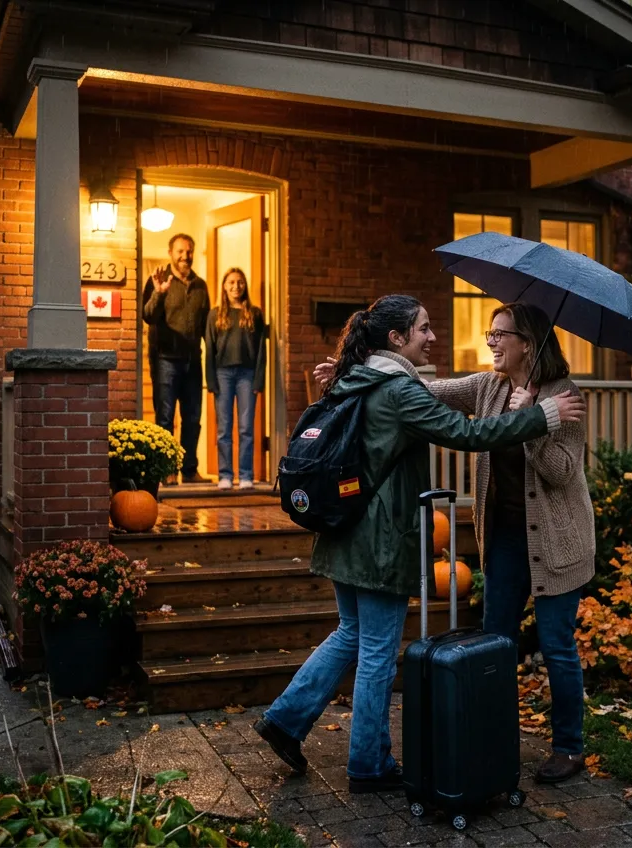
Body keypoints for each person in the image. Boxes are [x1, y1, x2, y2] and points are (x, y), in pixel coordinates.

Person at [254, 295, 586, 793]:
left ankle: (284, 720)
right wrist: (539, 418)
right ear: (396, 339)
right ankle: (368, 764)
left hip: (346, 531)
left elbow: (433, 390)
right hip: (380, 540)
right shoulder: (416, 389)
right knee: (377, 654)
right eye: (424, 329)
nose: (436, 337)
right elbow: (461, 430)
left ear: (528, 344)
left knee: (351, 634)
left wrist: (542, 413)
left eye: (500, 334)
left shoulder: (361, 377)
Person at [142, 233, 211, 483]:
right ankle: (167, 471)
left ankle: (190, 471)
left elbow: (206, 327)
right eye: (180, 251)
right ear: (170, 253)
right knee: (165, 418)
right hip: (165, 360)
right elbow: (148, 315)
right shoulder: (157, 280)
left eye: (189, 251)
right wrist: (159, 292)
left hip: (193, 361)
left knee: (193, 418)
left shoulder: (201, 285)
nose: (185, 256)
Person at [204, 268, 266, 490]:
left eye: (240, 282)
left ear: (244, 285)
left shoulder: (255, 313)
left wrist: (259, 381)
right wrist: (210, 380)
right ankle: (225, 475)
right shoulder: (214, 314)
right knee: (224, 428)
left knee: (246, 428)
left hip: (247, 376)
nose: (235, 286)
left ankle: (246, 476)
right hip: (222, 375)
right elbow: (209, 349)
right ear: (224, 285)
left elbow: (261, 350)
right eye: (231, 282)